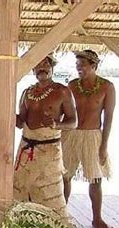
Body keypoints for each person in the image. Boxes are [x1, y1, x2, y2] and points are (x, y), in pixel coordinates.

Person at [14, 55, 77, 217]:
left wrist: (57, 125)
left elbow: (73, 122)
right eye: (38, 64)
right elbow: (20, 122)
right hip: (26, 150)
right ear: (33, 69)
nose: (42, 68)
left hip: (50, 150)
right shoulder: (27, 93)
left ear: (52, 67)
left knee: (50, 193)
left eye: (46, 64)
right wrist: (6, 112)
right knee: (20, 190)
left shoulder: (62, 91)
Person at [62, 50, 116, 228]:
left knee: (95, 178)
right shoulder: (72, 85)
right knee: (65, 176)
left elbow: (108, 119)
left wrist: (104, 146)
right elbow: (64, 112)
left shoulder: (107, 87)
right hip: (71, 134)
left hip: (93, 135)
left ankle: (97, 218)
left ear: (94, 66)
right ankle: (61, 215)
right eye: (77, 66)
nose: (79, 69)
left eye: (83, 65)